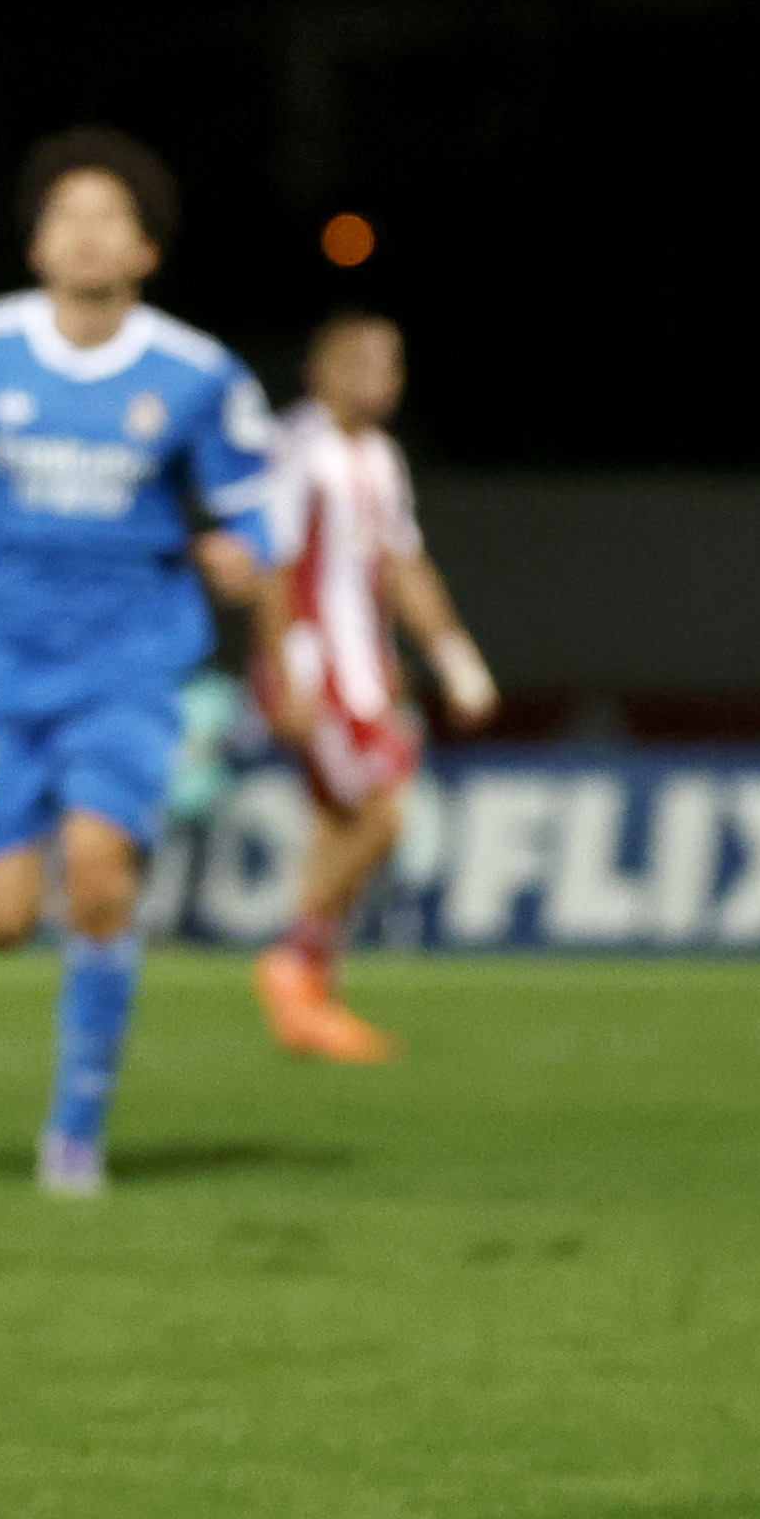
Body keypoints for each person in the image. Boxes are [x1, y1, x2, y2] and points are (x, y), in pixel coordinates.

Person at [0, 127, 270, 1197]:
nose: (87, 235)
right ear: (35, 242)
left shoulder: (194, 372)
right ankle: (49, 906)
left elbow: (254, 504)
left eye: (111, 220)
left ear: (145, 250)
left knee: (96, 879)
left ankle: (74, 1131)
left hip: (131, 668)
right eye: (67, 216)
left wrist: (249, 555)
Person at [249, 312, 495, 1059]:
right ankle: (291, 962)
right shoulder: (297, 447)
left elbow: (402, 564)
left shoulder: (381, 457)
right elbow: (272, 563)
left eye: (390, 364)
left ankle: (311, 1002)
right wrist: (288, 670)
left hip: (368, 675)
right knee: (384, 816)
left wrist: (451, 652)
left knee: (336, 828)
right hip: (319, 672)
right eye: (361, 362)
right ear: (319, 368)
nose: (380, 379)